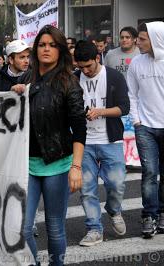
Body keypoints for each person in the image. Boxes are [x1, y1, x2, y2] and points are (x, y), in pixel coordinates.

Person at [12, 25, 86, 266]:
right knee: (22, 229)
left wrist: (76, 167)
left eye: (52, 45)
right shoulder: (26, 78)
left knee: (55, 228)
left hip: (58, 164)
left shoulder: (69, 83)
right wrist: (14, 95)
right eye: (42, 45)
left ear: (60, 50)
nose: (46, 49)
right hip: (27, 165)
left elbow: (79, 129)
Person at [74, 40, 129, 246]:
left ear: (97, 58)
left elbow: (124, 107)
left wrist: (100, 112)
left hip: (110, 140)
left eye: (88, 66)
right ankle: (94, 229)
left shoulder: (114, 76)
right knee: (87, 189)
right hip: (83, 143)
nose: (85, 71)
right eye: (81, 67)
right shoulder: (73, 78)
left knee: (117, 184)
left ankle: (114, 210)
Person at [127, 21, 164, 238]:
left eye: (142, 39)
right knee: (150, 173)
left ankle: (162, 213)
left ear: (156, 39)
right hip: (145, 128)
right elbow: (131, 94)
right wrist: (137, 121)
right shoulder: (136, 63)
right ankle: (148, 215)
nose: (137, 42)